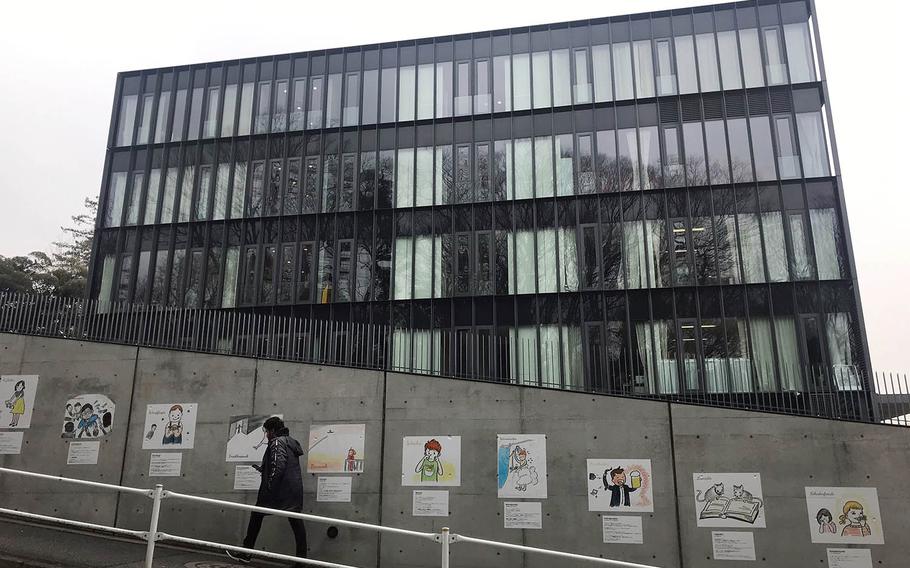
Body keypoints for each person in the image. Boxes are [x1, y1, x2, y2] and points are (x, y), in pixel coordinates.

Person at [227, 416, 307, 563]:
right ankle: (302, 561)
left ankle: (246, 553)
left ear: (273, 430)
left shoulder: (276, 441)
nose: (266, 435)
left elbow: (279, 465)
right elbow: (284, 464)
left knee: (256, 516)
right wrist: (264, 469)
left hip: (277, 491)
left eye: (266, 431)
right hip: (293, 491)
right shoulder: (290, 442)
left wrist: (269, 485)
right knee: (296, 523)